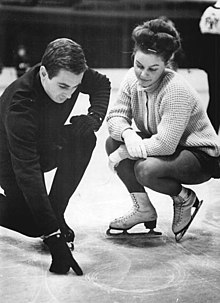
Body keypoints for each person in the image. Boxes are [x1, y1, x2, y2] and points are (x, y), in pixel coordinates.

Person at [0, 38, 110, 274]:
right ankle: (50, 223)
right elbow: (28, 173)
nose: (70, 95)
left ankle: (56, 214)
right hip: (8, 159)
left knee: (85, 137)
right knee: (33, 225)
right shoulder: (20, 106)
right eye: (62, 87)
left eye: (75, 87)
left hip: (44, 142)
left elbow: (102, 84)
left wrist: (95, 117)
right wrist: (54, 239)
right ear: (43, 73)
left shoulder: (70, 74)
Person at [105, 19, 220, 241]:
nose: (143, 74)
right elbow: (115, 117)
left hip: (199, 156)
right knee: (113, 140)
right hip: (168, 147)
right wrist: (128, 135)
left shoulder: (175, 89)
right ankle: (143, 209)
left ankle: (185, 198)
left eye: (153, 68)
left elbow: (165, 144)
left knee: (145, 170)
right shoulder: (131, 78)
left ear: (166, 65)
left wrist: (124, 152)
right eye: (139, 65)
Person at [198, 0, 220, 134]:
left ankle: (209, 134)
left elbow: (202, 31)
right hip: (216, 53)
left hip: (210, 56)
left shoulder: (208, 11)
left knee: (215, 97)